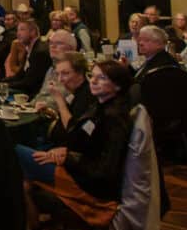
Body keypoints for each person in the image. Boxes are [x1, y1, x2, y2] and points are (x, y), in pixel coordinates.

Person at [16, 59, 133, 204]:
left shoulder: (114, 118)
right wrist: (66, 151)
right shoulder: (99, 106)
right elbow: (82, 138)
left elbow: (105, 170)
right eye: (92, 76)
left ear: (118, 86)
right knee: (22, 175)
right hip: (75, 166)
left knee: (13, 150)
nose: (93, 81)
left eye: (102, 78)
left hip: (87, 184)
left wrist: (68, 158)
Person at [2, 19, 50, 93]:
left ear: (32, 32)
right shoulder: (29, 48)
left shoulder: (40, 52)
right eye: (17, 30)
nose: (18, 34)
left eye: (22, 30)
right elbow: (20, 75)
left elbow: (29, 83)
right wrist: (1, 82)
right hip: (24, 87)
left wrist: (5, 86)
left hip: (33, 93)